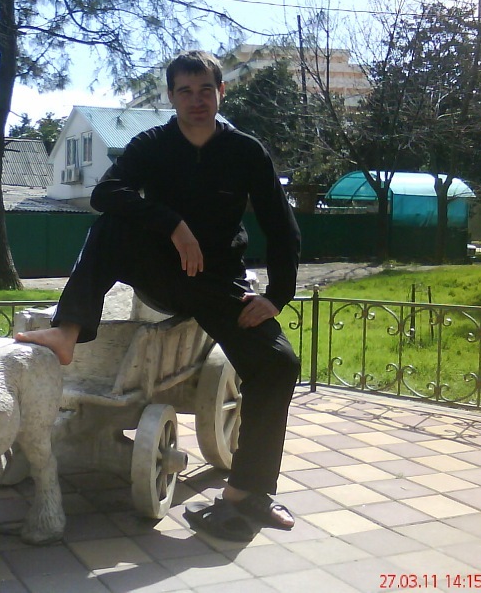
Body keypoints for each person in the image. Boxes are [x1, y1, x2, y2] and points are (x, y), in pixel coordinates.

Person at [16, 50, 301, 541]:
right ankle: (68, 331)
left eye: (206, 90)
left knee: (279, 364)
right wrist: (172, 224)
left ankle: (246, 494)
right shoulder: (152, 144)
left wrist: (277, 295)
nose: (196, 100)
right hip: (161, 272)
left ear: (221, 92)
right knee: (110, 227)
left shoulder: (245, 151)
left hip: (219, 281)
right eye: (185, 91)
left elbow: (282, 226)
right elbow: (107, 193)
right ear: (171, 97)